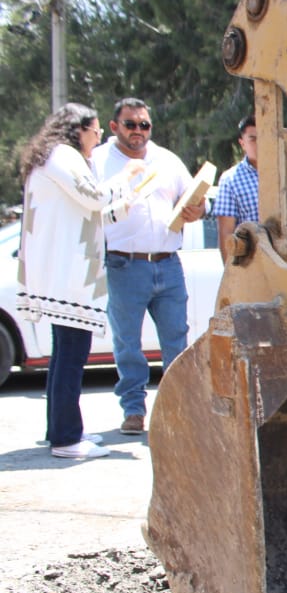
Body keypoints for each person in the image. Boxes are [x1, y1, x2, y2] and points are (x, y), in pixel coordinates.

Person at [17, 104, 143, 459]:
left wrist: (123, 204)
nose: (99, 135)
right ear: (77, 129)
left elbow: (88, 211)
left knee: (65, 356)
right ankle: (67, 439)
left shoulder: (56, 157)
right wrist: (128, 174)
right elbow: (94, 196)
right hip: (66, 275)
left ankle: (60, 428)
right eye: (95, 129)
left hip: (64, 273)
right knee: (71, 356)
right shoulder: (62, 156)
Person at [93, 97, 204, 435]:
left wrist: (194, 210)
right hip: (125, 264)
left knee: (176, 340)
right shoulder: (99, 161)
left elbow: (195, 201)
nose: (138, 131)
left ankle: (178, 409)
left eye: (144, 125)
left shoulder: (166, 159)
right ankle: (133, 410)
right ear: (114, 128)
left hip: (168, 263)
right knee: (128, 343)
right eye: (131, 125)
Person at [211, 115, 258, 262]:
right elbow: (226, 233)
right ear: (242, 143)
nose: (260, 144)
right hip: (254, 266)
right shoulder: (231, 179)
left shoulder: (286, 173)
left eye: (265, 137)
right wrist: (231, 279)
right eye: (253, 139)